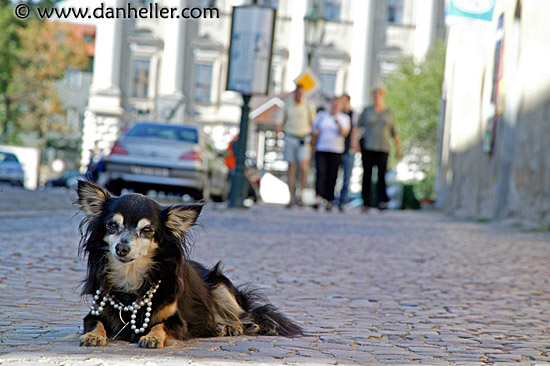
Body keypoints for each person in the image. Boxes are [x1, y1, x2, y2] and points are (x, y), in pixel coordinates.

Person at [357, 86, 401, 211]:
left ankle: (382, 201)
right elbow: (358, 127)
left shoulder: (389, 112)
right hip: (368, 146)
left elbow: (394, 131)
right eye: (375, 95)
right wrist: (354, 142)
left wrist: (398, 146)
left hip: (383, 147)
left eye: (379, 95)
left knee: (382, 175)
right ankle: (366, 202)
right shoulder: (367, 110)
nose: (377, 97)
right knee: (367, 175)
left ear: (383, 96)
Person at [276, 84, 316, 208]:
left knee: (304, 167)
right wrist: (278, 140)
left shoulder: (308, 105)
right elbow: (280, 123)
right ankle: (291, 197)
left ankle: (301, 195)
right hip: (290, 136)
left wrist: (314, 142)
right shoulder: (287, 104)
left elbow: (313, 124)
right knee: (291, 168)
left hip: (303, 137)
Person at [311, 96, 351, 211]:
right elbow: (314, 130)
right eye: (333, 104)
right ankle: (318, 197)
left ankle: (329, 199)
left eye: (337, 104)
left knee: (332, 175)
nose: (334, 106)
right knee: (320, 172)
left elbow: (345, 133)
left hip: (336, 150)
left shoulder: (344, 118)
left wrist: (338, 123)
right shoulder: (322, 116)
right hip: (322, 148)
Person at [338, 93, 354, 212]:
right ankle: (332, 199)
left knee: (346, 177)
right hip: (336, 149)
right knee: (334, 176)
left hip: (348, 149)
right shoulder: (337, 115)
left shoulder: (353, 115)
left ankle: (342, 201)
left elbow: (356, 130)